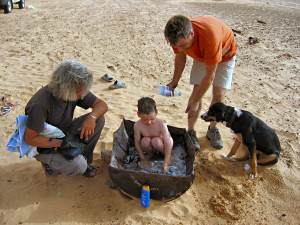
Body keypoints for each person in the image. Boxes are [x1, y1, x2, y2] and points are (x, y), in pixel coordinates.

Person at [164, 15, 237, 150]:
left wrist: (196, 100)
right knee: (196, 90)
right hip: (201, 53)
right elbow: (180, 56)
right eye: (175, 46)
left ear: (191, 33)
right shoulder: (177, 38)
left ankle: (212, 129)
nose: (179, 49)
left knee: (218, 95)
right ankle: (191, 131)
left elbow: (210, 76)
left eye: (182, 45)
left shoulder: (209, 37)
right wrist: (175, 81)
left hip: (225, 54)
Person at [24, 60, 108, 177]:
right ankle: (50, 165)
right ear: (68, 88)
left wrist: (92, 117)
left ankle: (84, 158)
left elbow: (102, 105)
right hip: (44, 145)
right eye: (80, 92)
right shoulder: (40, 105)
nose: (82, 95)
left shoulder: (75, 91)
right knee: (79, 166)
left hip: (64, 133)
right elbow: (30, 139)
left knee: (99, 119)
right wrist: (61, 143)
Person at [134, 97, 173, 172]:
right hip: (150, 147)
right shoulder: (137, 125)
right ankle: (151, 154)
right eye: (145, 120)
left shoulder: (161, 124)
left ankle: (167, 155)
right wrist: (142, 159)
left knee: (156, 141)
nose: (148, 122)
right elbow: (137, 143)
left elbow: (168, 142)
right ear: (139, 115)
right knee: (145, 141)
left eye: (152, 119)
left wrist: (166, 163)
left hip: (162, 145)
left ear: (156, 113)